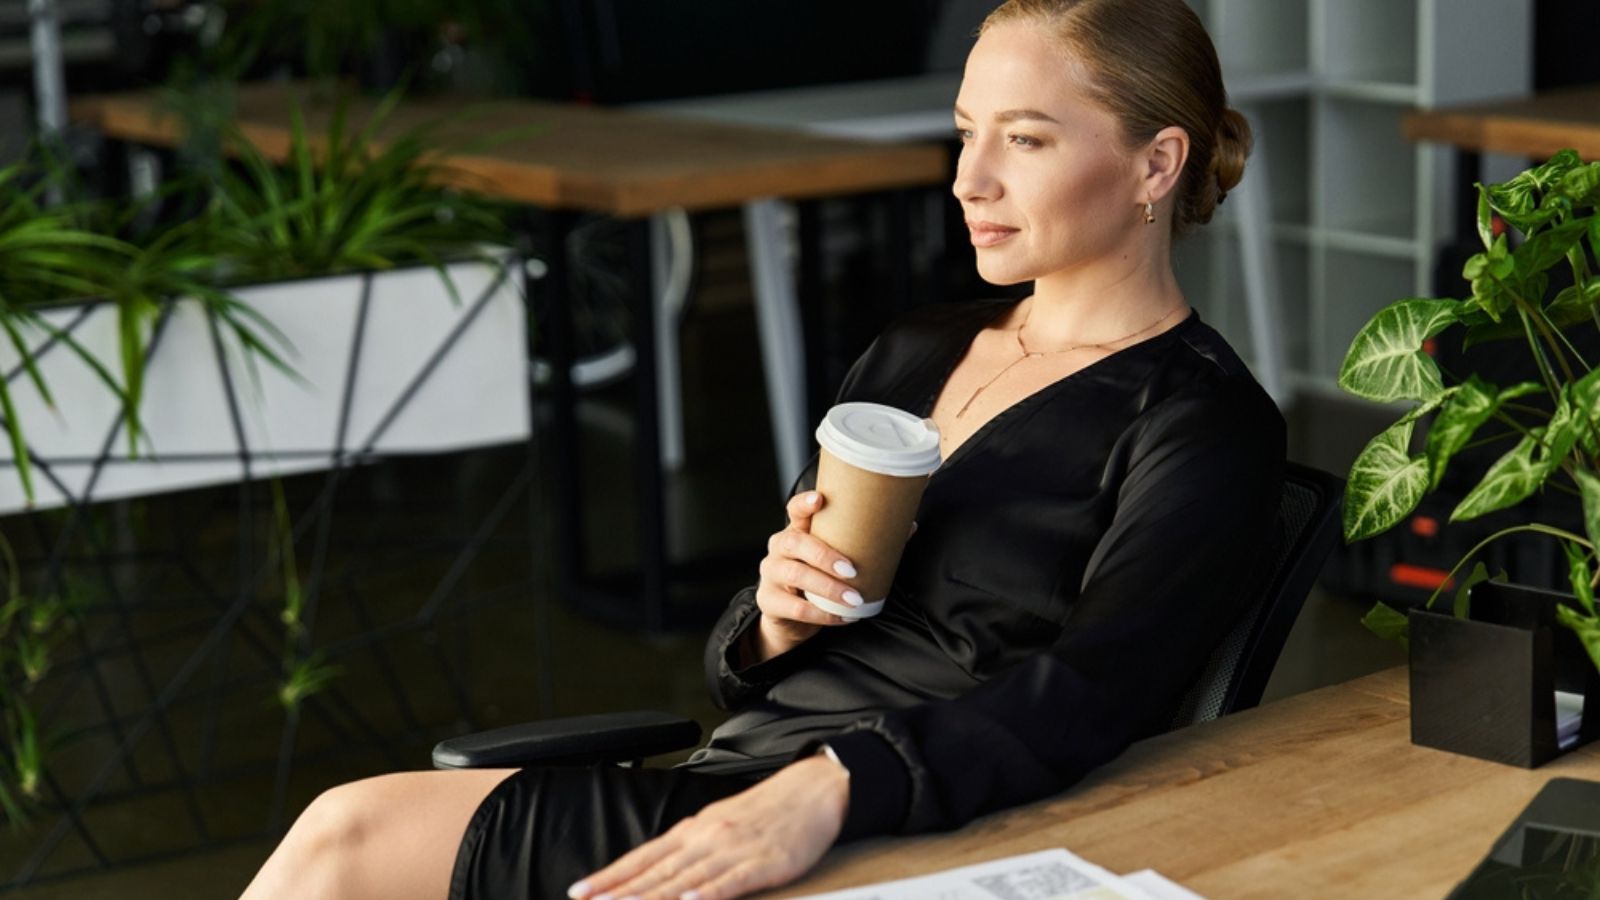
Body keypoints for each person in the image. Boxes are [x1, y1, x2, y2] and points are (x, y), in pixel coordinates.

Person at [239, 1, 1285, 897]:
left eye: (1025, 140)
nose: (969, 180)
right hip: (744, 776)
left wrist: (830, 789)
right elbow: (737, 676)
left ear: (1155, 163)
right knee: (345, 841)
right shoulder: (917, 347)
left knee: (348, 843)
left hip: (895, 819)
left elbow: (1096, 692)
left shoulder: (1200, 421)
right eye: (966, 132)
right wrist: (775, 621)